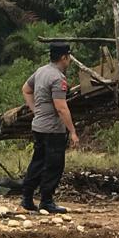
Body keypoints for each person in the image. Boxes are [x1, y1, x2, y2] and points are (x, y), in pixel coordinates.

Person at [21, 42, 80, 214]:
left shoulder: (41, 71)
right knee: (54, 165)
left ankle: (27, 198)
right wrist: (73, 131)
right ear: (64, 57)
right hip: (53, 129)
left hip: (38, 126)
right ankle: (46, 201)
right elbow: (61, 107)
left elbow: (25, 89)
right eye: (69, 56)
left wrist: (35, 110)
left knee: (37, 162)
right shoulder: (57, 78)